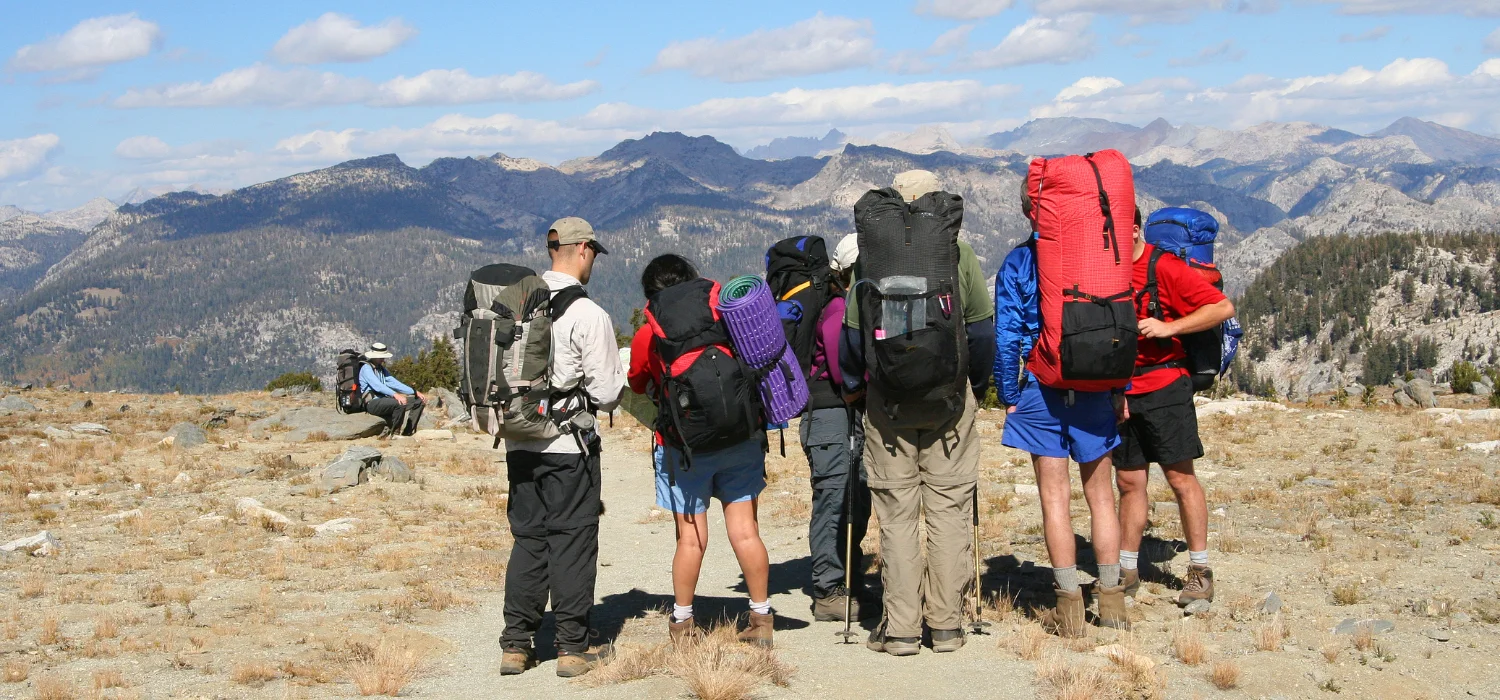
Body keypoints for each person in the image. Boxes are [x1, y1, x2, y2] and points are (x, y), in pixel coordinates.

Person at [842, 170, 997, 656]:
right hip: (949, 402)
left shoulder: (871, 257)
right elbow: (982, 331)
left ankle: (902, 630)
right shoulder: (957, 254)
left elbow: (852, 338)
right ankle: (946, 627)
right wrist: (973, 386)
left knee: (897, 515)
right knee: (948, 510)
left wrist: (859, 387)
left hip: (887, 404)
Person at [994, 184, 1128, 637]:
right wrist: (1120, 387)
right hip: (1094, 385)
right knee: (1102, 497)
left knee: (1055, 500)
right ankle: (1112, 601)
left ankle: (1069, 607)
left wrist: (1008, 393)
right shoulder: (1095, 257)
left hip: (1041, 386)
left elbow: (1007, 335)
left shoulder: (1019, 261)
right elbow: (1119, 324)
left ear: (1027, 212)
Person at [627, 254, 775, 647]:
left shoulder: (650, 334)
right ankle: (761, 619)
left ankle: (683, 624)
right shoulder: (723, 316)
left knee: (691, 539)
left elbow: (637, 383)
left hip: (685, 447)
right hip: (740, 437)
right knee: (745, 530)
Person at [500, 217, 625, 679]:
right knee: (572, 540)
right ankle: (573, 648)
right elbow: (607, 394)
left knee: (528, 539)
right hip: (568, 445)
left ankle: (516, 645)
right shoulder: (588, 313)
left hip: (519, 439)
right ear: (584, 249)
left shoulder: (515, 305)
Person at [1114, 209, 1235, 609]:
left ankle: (1200, 571)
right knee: (1129, 482)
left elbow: (1222, 308)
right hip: (1122, 392)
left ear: (1135, 229)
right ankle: (1126, 571)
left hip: (1165, 387)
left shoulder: (1163, 267)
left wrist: (1169, 328)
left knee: (1181, 479)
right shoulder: (1108, 269)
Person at [801, 234, 871, 622]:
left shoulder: (841, 304)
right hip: (831, 413)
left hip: (838, 415)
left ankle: (847, 581)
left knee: (854, 498)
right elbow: (839, 363)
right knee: (834, 501)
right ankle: (829, 590)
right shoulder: (837, 308)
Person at [358, 342, 426, 437]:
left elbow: (394, 383)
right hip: (372, 403)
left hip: (384, 400)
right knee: (399, 403)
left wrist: (414, 392)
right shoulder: (366, 368)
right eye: (381, 357)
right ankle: (395, 434)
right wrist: (396, 395)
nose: (383, 359)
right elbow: (377, 386)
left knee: (419, 401)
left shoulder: (380, 369)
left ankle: (408, 432)